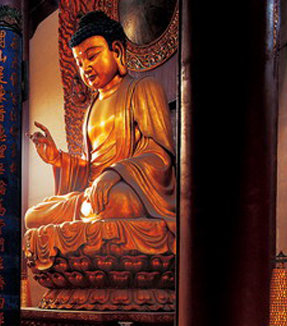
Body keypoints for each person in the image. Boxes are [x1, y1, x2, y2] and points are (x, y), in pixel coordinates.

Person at [25, 11, 175, 234]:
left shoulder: (143, 88)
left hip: (127, 190)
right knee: (33, 216)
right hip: (92, 195)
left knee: (118, 202)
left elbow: (160, 156)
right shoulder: (91, 108)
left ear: (117, 51)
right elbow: (89, 168)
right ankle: (91, 214)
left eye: (92, 56)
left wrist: (115, 173)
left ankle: (93, 214)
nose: (85, 68)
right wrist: (58, 159)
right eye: (79, 62)